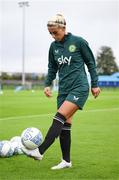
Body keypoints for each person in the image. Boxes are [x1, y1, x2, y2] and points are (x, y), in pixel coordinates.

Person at [22, 14, 101, 170]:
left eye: (55, 32)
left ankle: (40, 150)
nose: (53, 36)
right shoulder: (53, 47)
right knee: (65, 125)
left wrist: (95, 84)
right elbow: (52, 67)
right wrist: (47, 84)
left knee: (59, 117)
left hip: (79, 87)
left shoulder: (79, 42)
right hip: (63, 90)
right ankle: (66, 161)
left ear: (64, 28)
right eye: (50, 33)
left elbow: (91, 63)